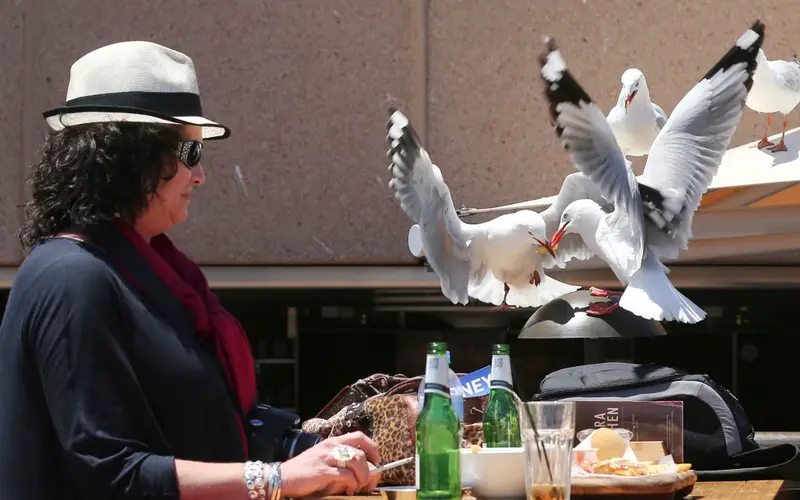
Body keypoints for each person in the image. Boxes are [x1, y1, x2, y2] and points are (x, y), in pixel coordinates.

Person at [0, 41, 380, 499]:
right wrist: (277, 480)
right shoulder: (71, 280)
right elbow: (109, 474)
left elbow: (195, 420)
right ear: (128, 157)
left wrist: (299, 447)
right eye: (190, 155)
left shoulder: (143, 272)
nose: (200, 177)